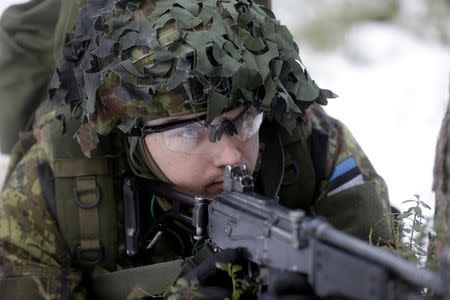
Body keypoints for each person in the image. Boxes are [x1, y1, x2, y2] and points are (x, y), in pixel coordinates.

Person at [0, 0, 394, 299]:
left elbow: (389, 266)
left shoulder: (311, 144)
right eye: (189, 134)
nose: (230, 156)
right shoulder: (52, 185)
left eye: (243, 121)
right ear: (132, 137)